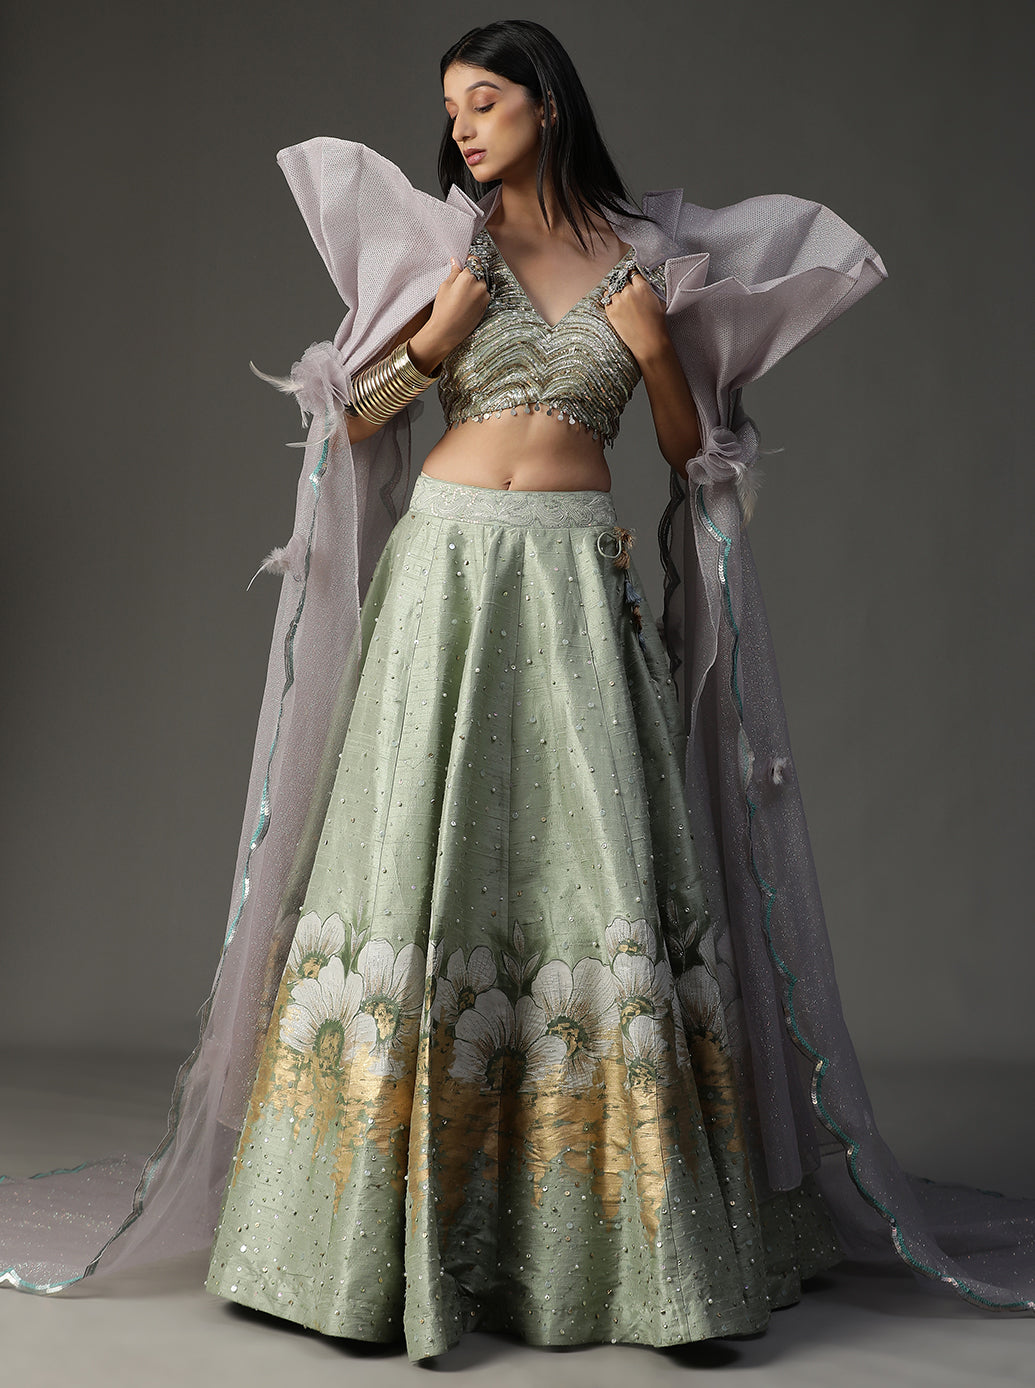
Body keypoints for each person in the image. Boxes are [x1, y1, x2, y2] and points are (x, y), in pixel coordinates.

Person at [2, 16, 1033, 1363]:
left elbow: (694, 458)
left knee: (592, 876)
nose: (464, 128)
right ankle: (361, 1256)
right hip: (444, 577)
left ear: (547, 104)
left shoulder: (646, 263)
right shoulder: (448, 248)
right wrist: (433, 341)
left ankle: (645, 1260)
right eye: (452, 108)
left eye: (485, 101)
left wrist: (655, 352)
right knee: (415, 869)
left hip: (569, 581)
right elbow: (349, 422)